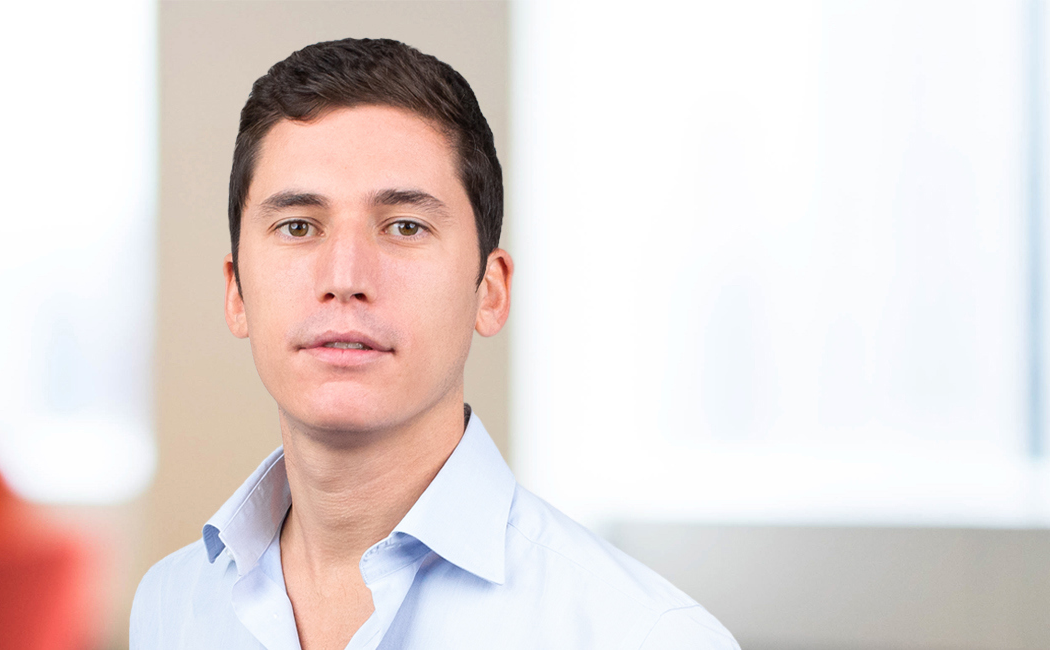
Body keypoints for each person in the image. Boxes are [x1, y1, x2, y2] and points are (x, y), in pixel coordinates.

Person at [128, 39, 737, 650]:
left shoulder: (645, 634)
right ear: (237, 292)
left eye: (405, 226)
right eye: (298, 226)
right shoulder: (170, 606)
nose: (345, 277)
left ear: (490, 292)